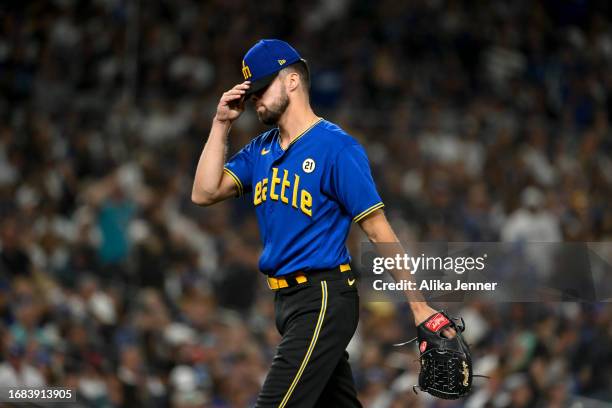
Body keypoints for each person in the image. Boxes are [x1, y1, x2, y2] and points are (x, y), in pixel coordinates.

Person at [192, 39, 453, 408]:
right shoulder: (260, 150)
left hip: (324, 295)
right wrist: (220, 124)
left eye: (263, 87)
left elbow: (378, 229)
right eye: (251, 93)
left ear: (293, 81)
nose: (255, 99)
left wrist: (418, 305)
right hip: (286, 302)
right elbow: (203, 193)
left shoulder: (336, 148)